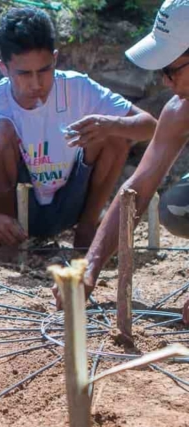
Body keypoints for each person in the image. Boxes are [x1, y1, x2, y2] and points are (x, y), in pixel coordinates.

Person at [0, 7, 156, 249]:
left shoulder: (78, 87)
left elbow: (150, 126)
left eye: (44, 70)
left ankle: (87, 233)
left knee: (113, 132)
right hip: (12, 207)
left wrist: (110, 124)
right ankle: (9, 239)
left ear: (55, 58)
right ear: (4, 68)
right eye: (24, 74)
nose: (36, 83)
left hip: (69, 204)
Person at [64, 0, 189, 325]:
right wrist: (88, 267)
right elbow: (138, 187)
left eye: (170, 69)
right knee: (179, 207)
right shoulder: (180, 111)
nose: (164, 81)